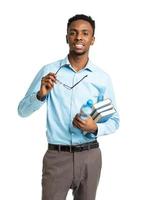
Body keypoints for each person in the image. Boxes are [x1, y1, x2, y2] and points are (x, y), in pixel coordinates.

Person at [18, 14, 120, 200]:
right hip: (57, 157)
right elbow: (22, 111)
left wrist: (95, 127)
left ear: (92, 39)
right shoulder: (49, 71)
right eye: (73, 33)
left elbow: (114, 121)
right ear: (67, 38)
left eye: (85, 33)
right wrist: (41, 95)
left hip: (90, 156)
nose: (79, 37)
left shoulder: (102, 78)